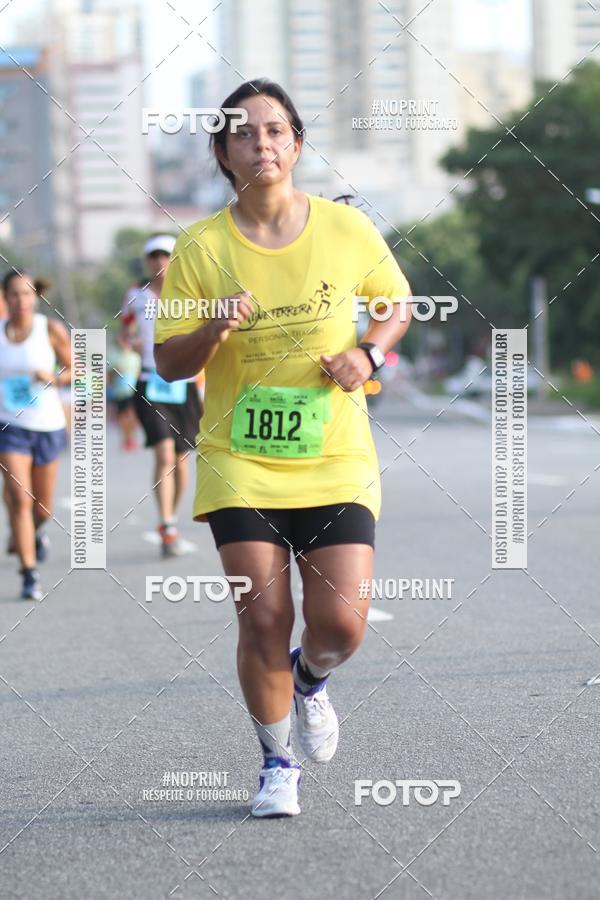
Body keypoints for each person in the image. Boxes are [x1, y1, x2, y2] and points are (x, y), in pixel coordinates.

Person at [154, 79, 412, 817]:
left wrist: (368, 354)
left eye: (274, 131)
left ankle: (310, 680)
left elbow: (395, 304)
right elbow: (169, 363)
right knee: (263, 618)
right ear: (222, 152)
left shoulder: (345, 228)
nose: (261, 144)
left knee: (341, 626)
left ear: (296, 144)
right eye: (243, 133)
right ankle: (276, 763)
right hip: (240, 458)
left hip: (334, 454)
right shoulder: (201, 247)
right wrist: (213, 327)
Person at [120, 236, 203, 556]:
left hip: (184, 383)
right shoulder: (135, 295)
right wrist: (131, 343)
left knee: (181, 459)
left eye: (165, 255)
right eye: (153, 256)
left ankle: (173, 518)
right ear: (147, 261)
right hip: (150, 381)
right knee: (164, 454)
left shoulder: (190, 292)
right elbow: (125, 332)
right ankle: (166, 524)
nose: (159, 261)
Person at [0, 271, 71, 600]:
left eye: (27, 294)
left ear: (35, 297)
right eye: (14, 294)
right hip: (9, 427)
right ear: (5, 298)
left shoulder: (50, 329)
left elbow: (81, 371)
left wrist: (55, 378)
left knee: (42, 509)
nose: (21, 300)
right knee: (19, 498)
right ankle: (29, 573)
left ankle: (29, 534)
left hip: (47, 425)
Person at [108, 333, 140, 451]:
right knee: (122, 416)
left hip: (133, 390)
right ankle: (125, 439)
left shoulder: (135, 356)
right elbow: (110, 374)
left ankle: (132, 438)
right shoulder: (115, 356)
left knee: (132, 415)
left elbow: (139, 373)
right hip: (119, 391)